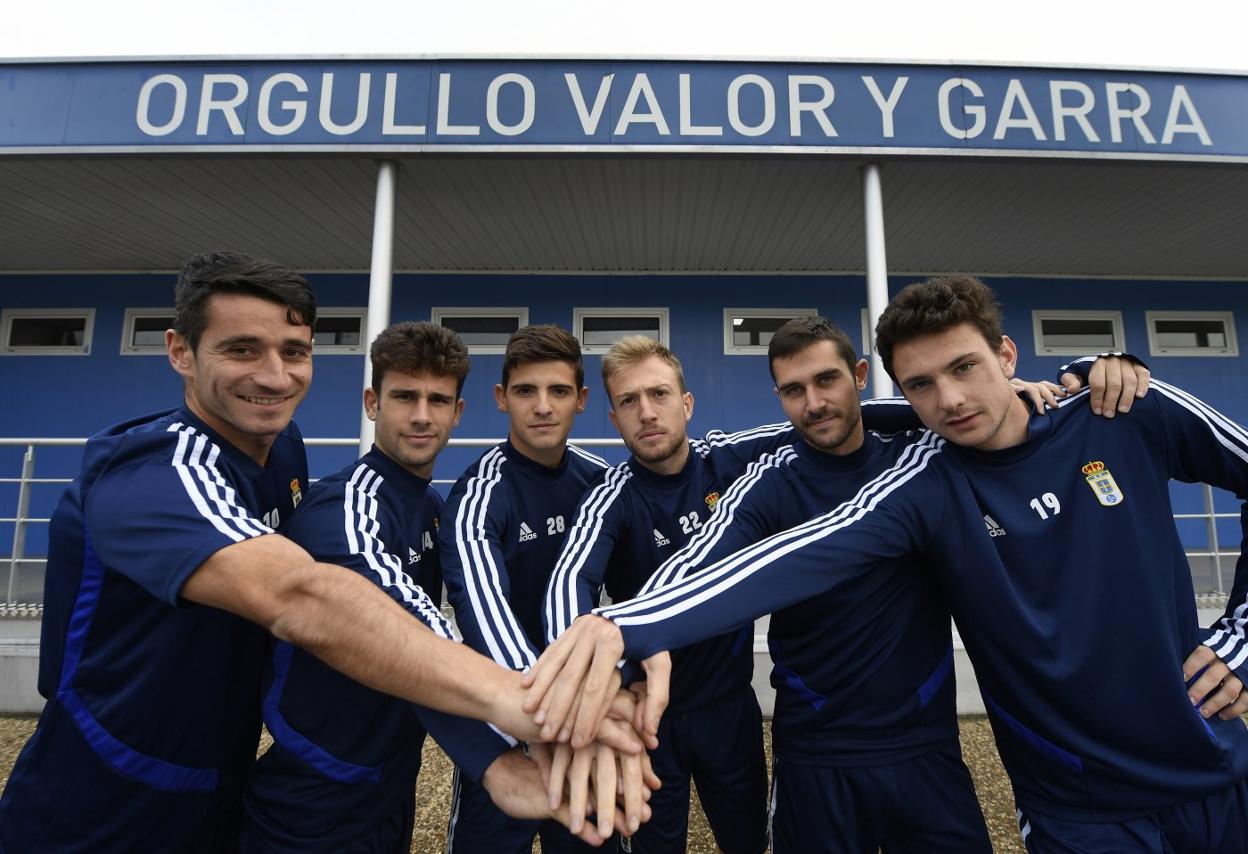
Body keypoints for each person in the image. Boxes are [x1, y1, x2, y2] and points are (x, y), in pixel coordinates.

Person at [526, 274, 1248, 853]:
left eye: (965, 368)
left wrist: (1241, 639)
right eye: (923, 386)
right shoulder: (920, 483)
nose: (952, 399)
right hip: (1074, 808)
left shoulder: (1121, 409)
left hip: (1214, 771)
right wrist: (624, 629)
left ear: (1005, 356)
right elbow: (788, 557)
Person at [0, 253, 639, 853]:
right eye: (240, 349)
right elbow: (299, 595)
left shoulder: (284, 452)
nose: (274, 375)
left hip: (220, 773)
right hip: (99, 795)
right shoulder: (149, 471)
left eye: (294, 352)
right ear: (181, 352)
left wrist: (495, 755)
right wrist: (520, 713)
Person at [239, 321, 647, 852]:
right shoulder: (346, 507)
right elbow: (420, 628)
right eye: (404, 397)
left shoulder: (433, 507)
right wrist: (516, 732)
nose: (421, 416)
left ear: (458, 411)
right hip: (319, 781)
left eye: (438, 400)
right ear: (371, 402)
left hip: (399, 766)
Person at [585, 320, 989, 852]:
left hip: (925, 745)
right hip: (815, 751)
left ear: (860, 376)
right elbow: (700, 560)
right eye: (794, 391)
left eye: (827, 381)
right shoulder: (766, 482)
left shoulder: (922, 456)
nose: (815, 402)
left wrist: (1067, 377)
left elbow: (975, 413)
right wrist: (633, 631)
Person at [544, 336, 801, 853]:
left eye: (659, 394)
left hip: (730, 709)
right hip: (647, 718)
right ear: (614, 421)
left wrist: (1005, 398)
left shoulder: (726, 461)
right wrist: (600, 680)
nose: (647, 413)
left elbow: (827, 417)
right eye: (628, 402)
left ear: (687, 404)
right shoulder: (610, 497)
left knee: (750, 841)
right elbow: (569, 581)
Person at [441, 324, 659, 851]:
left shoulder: (600, 481)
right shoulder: (478, 495)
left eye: (558, 391)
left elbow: (638, 601)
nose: (542, 406)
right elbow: (482, 615)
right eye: (525, 391)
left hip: (587, 717)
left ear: (582, 400)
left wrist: (617, 680)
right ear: (501, 398)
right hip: (508, 724)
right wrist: (559, 711)